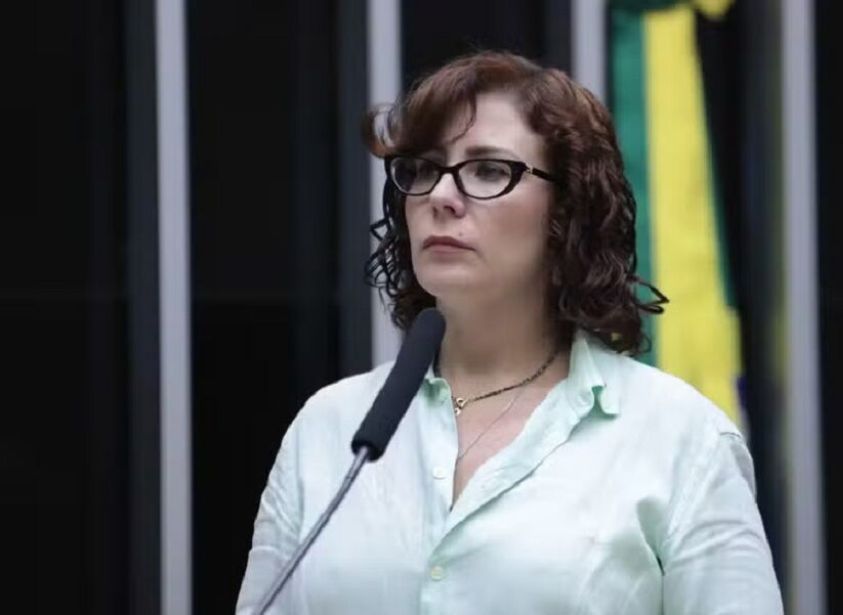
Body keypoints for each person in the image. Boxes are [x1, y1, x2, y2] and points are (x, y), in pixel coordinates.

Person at [236, 51, 783, 614]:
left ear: (567, 209)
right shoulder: (330, 428)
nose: (440, 196)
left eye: (489, 170)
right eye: (423, 169)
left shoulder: (678, 436)